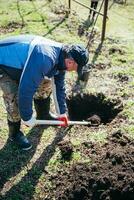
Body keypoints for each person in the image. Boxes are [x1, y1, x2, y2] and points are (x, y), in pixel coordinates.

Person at [0, 34, 89, 150]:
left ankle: (43, 114)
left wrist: (62, 113)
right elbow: (26, 89)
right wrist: (27, 116)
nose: (75, 71)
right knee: (14, 96)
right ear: (71, 62)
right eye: (77, 68)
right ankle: (14, 133)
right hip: (4, 64)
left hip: (23, 65)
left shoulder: (61, 57)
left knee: (46, 81)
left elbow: (59, 86)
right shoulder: (45, 58)